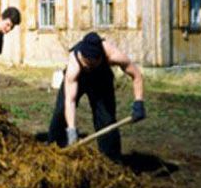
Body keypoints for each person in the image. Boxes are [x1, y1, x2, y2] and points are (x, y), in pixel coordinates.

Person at [47, 32, 146, 160]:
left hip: (101, 79)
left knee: (106, 118)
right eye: (84, 62)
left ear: (99, 58)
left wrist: (139, 102)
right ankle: (53, 154)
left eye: (90, 64)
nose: (86, 66)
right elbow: (70, 101)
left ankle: (110, 161)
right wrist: (71, 130)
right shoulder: (75, 64)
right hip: (79, 79)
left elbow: (137, 75)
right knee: (61, 111)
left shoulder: (112, 55)